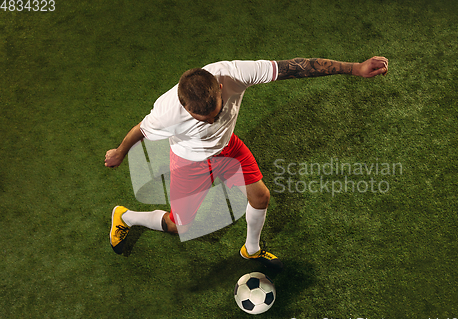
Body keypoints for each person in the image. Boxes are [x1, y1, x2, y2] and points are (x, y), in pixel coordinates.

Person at [104, 56, 389, 270]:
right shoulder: (166, 112)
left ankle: (251, 249)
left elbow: (296, 67)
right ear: (184, 106)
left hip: (229, 148)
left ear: (218, 85)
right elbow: (141, 129)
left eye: (216, 113)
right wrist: (120, 151)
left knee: (261, 197)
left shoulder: (235, 73)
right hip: (189, 162)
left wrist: (355, 68)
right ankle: (126, 216)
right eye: (204, 120)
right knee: (180, 225)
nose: (214, 121)